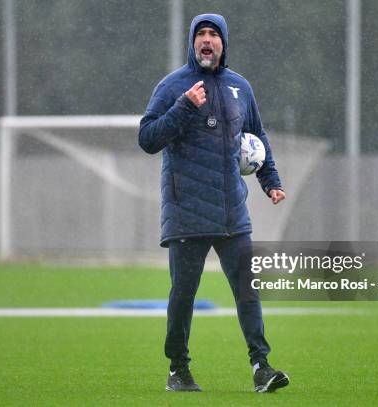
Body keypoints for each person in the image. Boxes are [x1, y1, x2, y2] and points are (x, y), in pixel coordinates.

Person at [138, 13, 289, 393]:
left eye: (214, 35)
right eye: (201, 34)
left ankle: (262, 367)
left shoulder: (240, 87)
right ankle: (178, 369)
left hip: (232, 213)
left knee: (247, 291)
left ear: (223, 43)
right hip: (186, 211)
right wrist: (184, 107)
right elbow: (148, 138)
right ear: (192, 42)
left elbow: (257, 137)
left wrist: (269, 181)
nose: (207, 41)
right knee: (183, 296)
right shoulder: (173, 86)